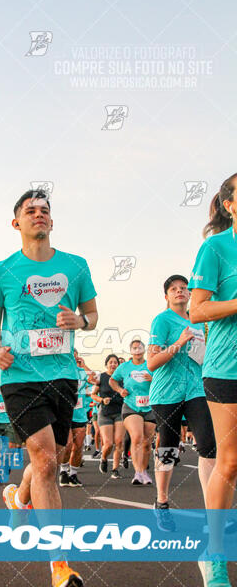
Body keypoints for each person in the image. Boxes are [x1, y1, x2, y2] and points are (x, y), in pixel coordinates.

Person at [0, 189, 97, 587]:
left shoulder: (76, 266)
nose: (39, 215)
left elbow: (93, 316)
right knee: (47, 460)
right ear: (17, 223)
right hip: (19, 376)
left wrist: (78, 322)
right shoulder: (1, 270)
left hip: (63, 375)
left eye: (45, 210)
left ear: (52, 220)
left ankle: (19, 498)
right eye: (30, 211)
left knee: (54, 456)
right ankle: (59, 565)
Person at [189, 175, 237, 586]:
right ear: (229, 205)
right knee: (231, 460)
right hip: (228, 368)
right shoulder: (216, 248)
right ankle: (215, 554)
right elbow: (197, 311)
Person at [147, 274, 216, 533]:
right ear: (166, 296)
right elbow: (151, 363)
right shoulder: (162, 320)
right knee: (169, 449)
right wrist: (179, 342)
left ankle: (213, 512)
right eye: (174, 289)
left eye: (184, 289)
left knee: (209, 446)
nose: (179, 292)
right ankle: (162, 502)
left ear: (190, 294)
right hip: (167, 393)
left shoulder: (199, 321)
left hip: (197, 390)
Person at [110, 339, 156, 485]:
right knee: (137, 437)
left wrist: (153, 379)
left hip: (149, 407)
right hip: (131, 406)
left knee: (147, 443)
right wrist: (120, 390)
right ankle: (138, 473)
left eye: (139, 347)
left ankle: (144, 471)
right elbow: (112, 380)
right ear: (131, 351)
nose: (137, 350)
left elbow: (164, 381)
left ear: (144, 349)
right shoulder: (124, 367)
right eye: (134, 348)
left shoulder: (151, 365)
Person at [59, 350, 92, 487]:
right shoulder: (59, 371)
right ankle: (63, 471)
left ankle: (73, 474)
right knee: (67, 445)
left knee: (78, 445)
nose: (73, 356)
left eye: (75, 354)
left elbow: (93, 379)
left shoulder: (81, 372)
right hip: (63, 413)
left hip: (79, 414)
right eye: (70, 353)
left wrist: (83, 366)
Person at [90, 354, 124, 478]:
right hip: (105, 413)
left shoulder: (122, 378)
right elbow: (93, 394)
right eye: (111, 362)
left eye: (115, 362)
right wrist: (102, 400)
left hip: (120, 411)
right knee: (108, 443)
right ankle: (103, 458)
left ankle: (115, 469)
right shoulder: (102, 377)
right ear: (106, 364)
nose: (113, 364)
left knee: (119, 441)